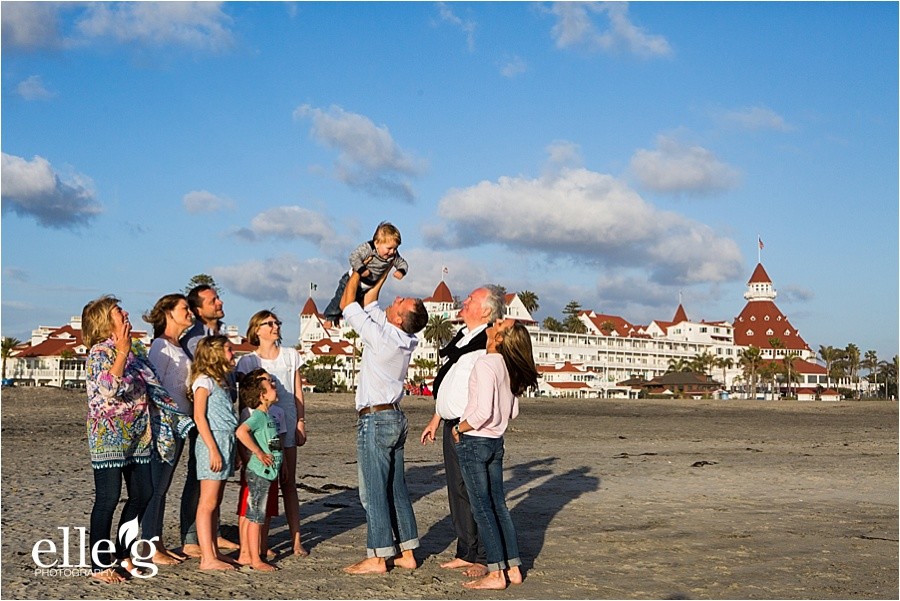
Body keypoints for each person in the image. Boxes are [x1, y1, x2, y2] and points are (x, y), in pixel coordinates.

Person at [82, 295, 192, 583]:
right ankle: (98, 565)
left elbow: (155, 388)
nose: (126, 312)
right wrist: (120, 352)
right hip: (108, 438)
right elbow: (108, 389)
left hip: (139, 437)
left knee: (142, 495)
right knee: (107, 499)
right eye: (119, 311)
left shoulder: (137, 352)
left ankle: (122, 555)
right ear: (105, 321)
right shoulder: (99, 353)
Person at [339, 266, 428, 574]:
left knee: (374, 492)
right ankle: (407, 552)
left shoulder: (384, 338)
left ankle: (377, 557)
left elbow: (348, 305)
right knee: (395, 489)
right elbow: (370, 303)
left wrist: (356, 272)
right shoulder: (400, 336)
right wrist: (384, 268)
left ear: (399, 318)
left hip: (376, 419)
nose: (398, 298)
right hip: (393, 417)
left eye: (402, 302)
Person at [420, 286, 505, 577]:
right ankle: (466, 551)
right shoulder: (463, 338)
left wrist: (465, 425)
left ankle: (483, 557)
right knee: (457, 490)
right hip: (451, 423)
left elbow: (486, 388)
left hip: (470, 427)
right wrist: (436, 419)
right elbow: (451, 382)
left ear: (484, 310)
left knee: (477, 493)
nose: (464, 301)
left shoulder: (488, 340)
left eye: (470, 299)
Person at [450, 319, 538, 590]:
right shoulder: (509, 367)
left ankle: (497, 572)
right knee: (498, 505)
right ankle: (513, 567)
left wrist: (458, 427)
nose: (494, 322)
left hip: (476, 440)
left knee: (482, 507)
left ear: (499, 338)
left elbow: (482, 413)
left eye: (500, 323)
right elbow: (513, 412)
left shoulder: (487, 363)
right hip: (496, 442)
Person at [235, 310, 308, 556]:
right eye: (269, 323)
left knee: (288, 482)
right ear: (257, 329)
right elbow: (243, 399)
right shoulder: (247, 362)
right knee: (260, 483)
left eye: (277, 322)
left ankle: (296, 540)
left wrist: (300, 422)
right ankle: (258, 545)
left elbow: (298, 393)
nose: (275, 326)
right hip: (258, 428)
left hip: (284, 423)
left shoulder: (290, 355)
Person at [178, 284, 236, 556]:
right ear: (199, 309)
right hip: (206, 420)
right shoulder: (195, 339)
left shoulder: (217, 334)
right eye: (213, 300)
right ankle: (192, 537)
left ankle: (213, 534)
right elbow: (201, 376)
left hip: (223, 418)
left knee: (215, 480)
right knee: (198, 476)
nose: (219, 302)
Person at [142, 293, 195, 566]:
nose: (189, 313)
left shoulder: (179, 346)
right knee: (157, 486)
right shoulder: (160, 348)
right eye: (184, 309)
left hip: (180, 424)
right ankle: (151, 545)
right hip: (163, 425)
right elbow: (154, 387)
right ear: (168, 313)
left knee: (162, 486)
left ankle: (156, 541)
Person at [190, 335, 240, 571]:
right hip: (213, 442)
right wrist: (213, 449)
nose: (233, 353)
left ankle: (214, 551)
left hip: (226, 440)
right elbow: (199, 417)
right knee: (207, 502)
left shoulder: (221, 382)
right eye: (228, 349)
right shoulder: (203, 381)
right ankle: (206, 557)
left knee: (216, 502)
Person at [234, 368, 284, 572]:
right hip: (259, 473)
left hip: (267, 474)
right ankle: (255, 558)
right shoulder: (258, 417)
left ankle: (250, 555)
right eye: (270, 386)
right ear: (262, 395)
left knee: (254, 514)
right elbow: (241, 431)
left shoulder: (268, 416)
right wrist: (257, 452)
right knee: (256, 516)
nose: (275, 386)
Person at [323, 221, 409, 327]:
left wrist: (401, 271)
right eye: (389, 248)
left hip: (367, 287)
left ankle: (338, 319)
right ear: (377, 243)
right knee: (339, 300)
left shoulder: (393, 256)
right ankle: (329, 318)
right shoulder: (368, 248)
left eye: (395, 248)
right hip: (353, 280)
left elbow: (403, 263)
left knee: (355, 306)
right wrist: (362, 269)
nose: (392, 252)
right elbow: (354, 257)